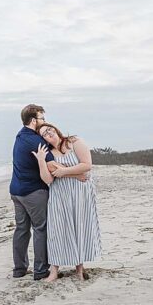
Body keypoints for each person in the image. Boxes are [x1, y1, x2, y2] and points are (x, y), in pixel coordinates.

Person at [32, 121, 102, 283]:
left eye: (50, 129)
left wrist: (63, 171)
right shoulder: (48, 152)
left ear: (55, 129)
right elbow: (49, 178)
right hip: (59, 193)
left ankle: (79, 268)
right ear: (43, 139)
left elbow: (86, 166)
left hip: (80, 192)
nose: (49, 133)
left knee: (79, 226)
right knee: (57, 230)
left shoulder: (74, 142)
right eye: (44, 134)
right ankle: (54, 271)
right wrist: (42, 160)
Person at [9, 104, 53, 281]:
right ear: (34, 120)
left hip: (16, 191)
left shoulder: (20, 136)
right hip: (33, 192)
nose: (45, 121)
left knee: (21, 229)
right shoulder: (35, 141)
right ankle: (41, 270)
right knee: (40, 229)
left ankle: (19, 269)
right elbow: (52, 163)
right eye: (42, 118)